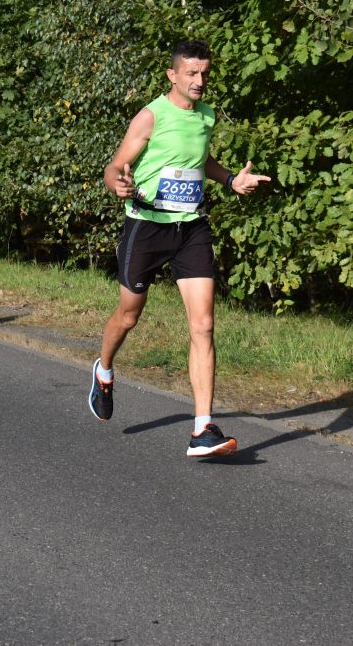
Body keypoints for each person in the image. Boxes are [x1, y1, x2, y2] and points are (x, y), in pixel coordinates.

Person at [89, 40, 271, 457]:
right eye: (191, 73)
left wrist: (230, 180)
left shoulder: (206, 115)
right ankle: (104, 370)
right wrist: (117, 184)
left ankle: (202, 429)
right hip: (147, 226)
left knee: (203, 325)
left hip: (191, 228)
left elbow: (199, 159)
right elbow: (114, 166)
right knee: (129, 315)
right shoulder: (151, 116)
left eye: (204, 73)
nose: (199, 80)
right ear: (172, 75)